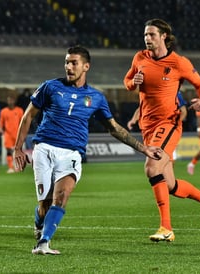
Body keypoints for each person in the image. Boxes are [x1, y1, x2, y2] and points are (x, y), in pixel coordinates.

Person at [13, 45, 163, 255]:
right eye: (67, 62)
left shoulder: (96, 97)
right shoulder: (50, 87)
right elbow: (28, 115)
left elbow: (113, 128)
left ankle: (43, 243)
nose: (69, 67)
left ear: (86, 66)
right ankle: (39, 222)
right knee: (45, 206)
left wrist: (143, 148)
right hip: (44, 148)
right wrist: (18, 148)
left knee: (62, 196)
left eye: (74, 63)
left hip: (72, 153)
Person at [123, 18, 200, 242]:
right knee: (168, 184)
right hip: (147, 125)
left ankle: (166, 228)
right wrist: (133, 83)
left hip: (168, 122)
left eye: (152, 35)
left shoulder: (179, 63)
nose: (147, 39)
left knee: (152, 166)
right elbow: (128, 80)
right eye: (145, 35)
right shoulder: (140, 57)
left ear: (164, 36)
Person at [0, 94, 24, 173]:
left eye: (11, 100)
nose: (10, 102)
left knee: (18, 151)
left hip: (17, 134)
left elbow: (22, 122)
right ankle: (11, 167)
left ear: (14, 101)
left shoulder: (19, 110)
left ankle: (19, 166)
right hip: (8, 134)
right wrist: (0, 129)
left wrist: (23, 133)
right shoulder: (3, 111)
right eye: (9, 100)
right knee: (9, 150)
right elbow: (1, 122)